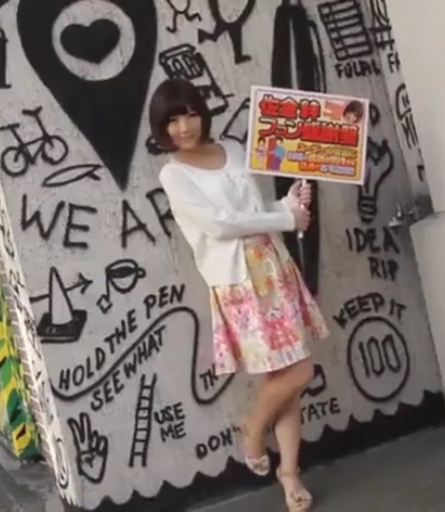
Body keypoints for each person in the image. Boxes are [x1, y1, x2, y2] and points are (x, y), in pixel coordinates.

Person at [150, 78, 329, 512]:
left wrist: (289, 203)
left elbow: (254, 209)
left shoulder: (233, 147)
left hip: (272, 266)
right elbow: (221, 224)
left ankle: (288, 473)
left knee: (284, 379)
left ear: (202, 114)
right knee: (297, 372)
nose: (184, 126)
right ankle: (252, 431)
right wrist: (285, 217)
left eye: (191, 113)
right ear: (162, 127)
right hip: (237, 283)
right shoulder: (174, 174)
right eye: (173, 119)